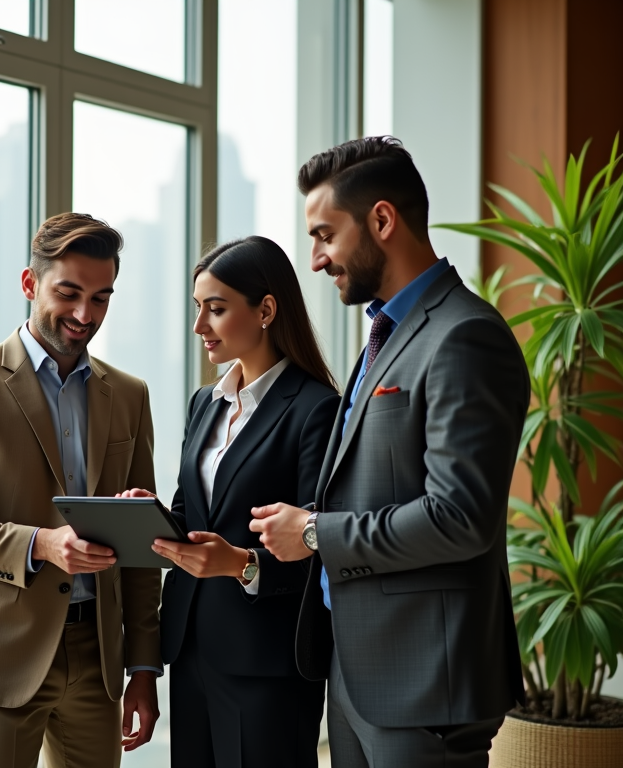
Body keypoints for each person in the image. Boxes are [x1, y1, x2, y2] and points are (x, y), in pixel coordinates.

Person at [249, 137, 529, 767]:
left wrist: (317, 534)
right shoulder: (387, 333)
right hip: (357, 672)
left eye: (325, 235)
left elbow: (460, 519)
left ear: (381, 220)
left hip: (426, 684)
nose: (316, 260)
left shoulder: (465, 337)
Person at [0, 212, 163, 768]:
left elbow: (143, 548)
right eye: (69, 293)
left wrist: (143, 668)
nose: (84, 315)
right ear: (30, 285)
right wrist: (44, 545)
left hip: (98, 658)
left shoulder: (129, 394)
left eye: (101, 298)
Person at [119, 236, 339, 767]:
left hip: (267, 662)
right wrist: (149, 514)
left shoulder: (316, 408)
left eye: (215, 310)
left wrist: (241, 566)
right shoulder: (205, 402)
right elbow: (192, 514)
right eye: (198, 309)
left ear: (265, 310)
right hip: (193, 650)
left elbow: (322, 546)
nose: (200, 327)